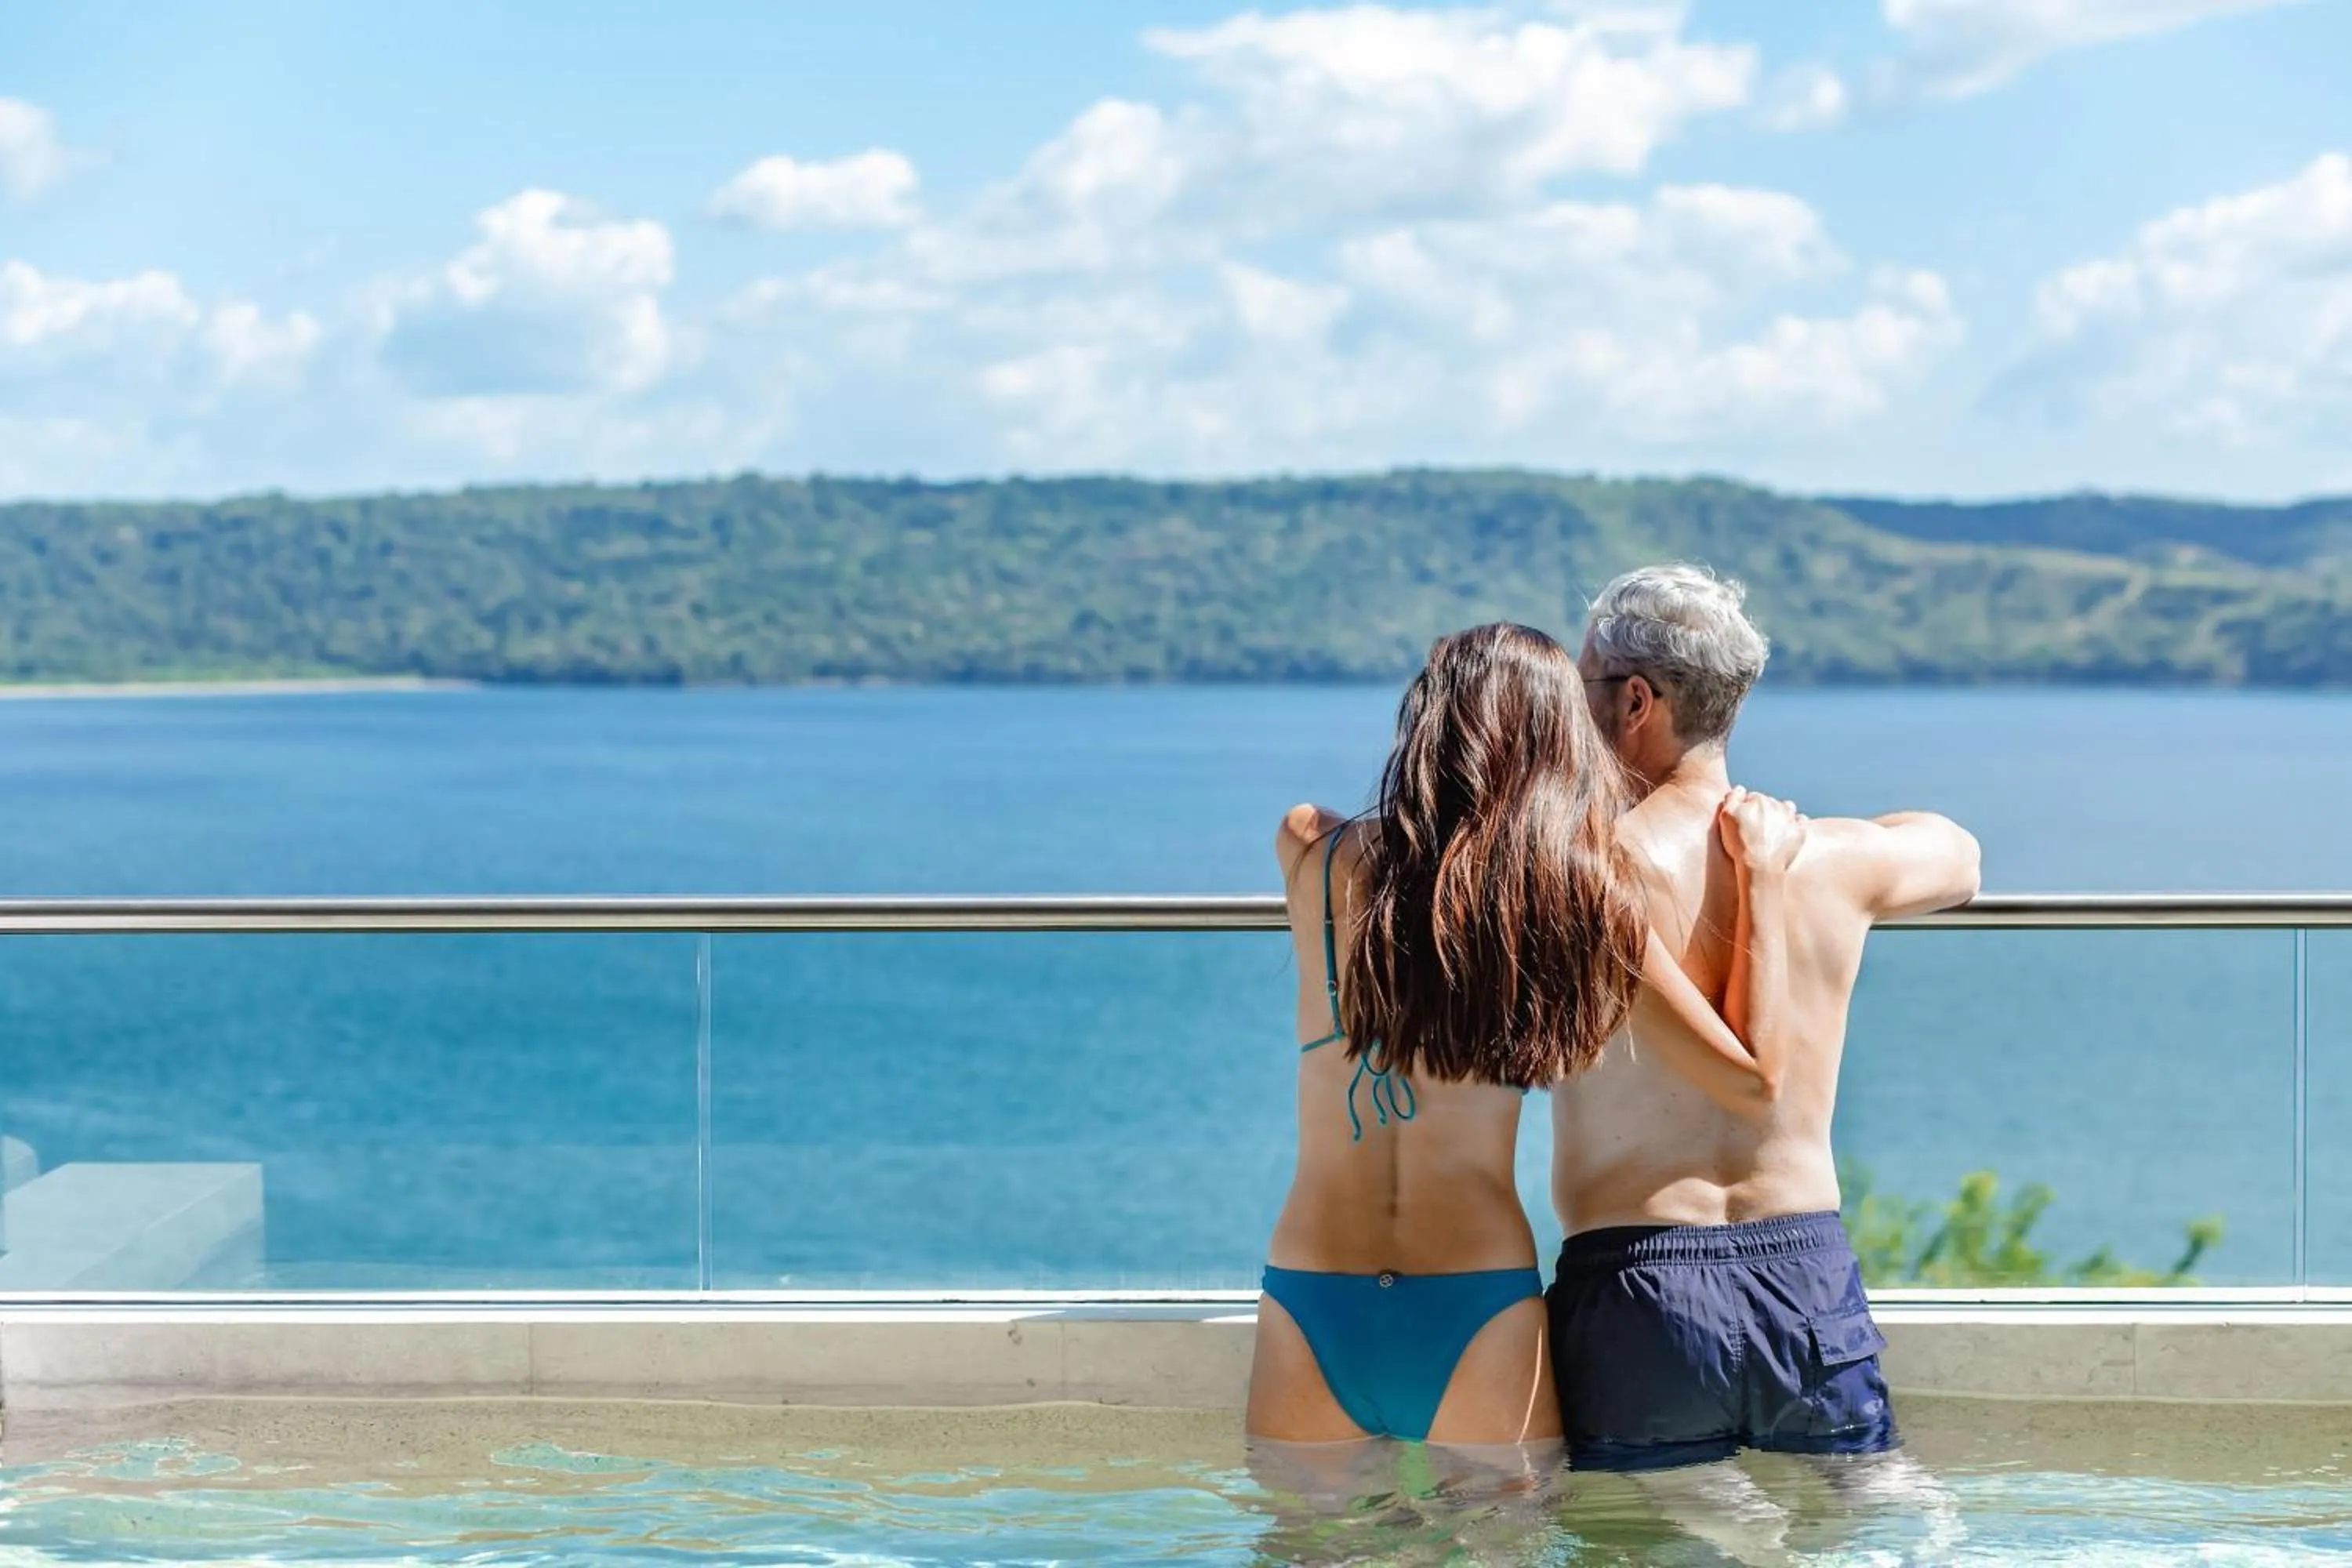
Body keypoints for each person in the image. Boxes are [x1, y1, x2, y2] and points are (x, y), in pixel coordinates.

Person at [1247, 621, 1804, 1450]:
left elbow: (1402, 855)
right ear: (1561, 739)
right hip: (1478, 1299)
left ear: (1427, 720)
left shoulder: (1314, 849)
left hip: (1312, 1288)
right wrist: (1760, 875)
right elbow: (1753, 1078)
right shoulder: (1576, 898)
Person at [1551, 563, 1981, 1477]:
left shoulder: (1581, 874)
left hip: (1641, 1280)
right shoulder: (1826, 855)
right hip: (1806, 1273)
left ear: (1635, 701)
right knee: (1874, 1526)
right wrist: (1814, 844)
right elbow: (1959, 854)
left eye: (1575, 687)